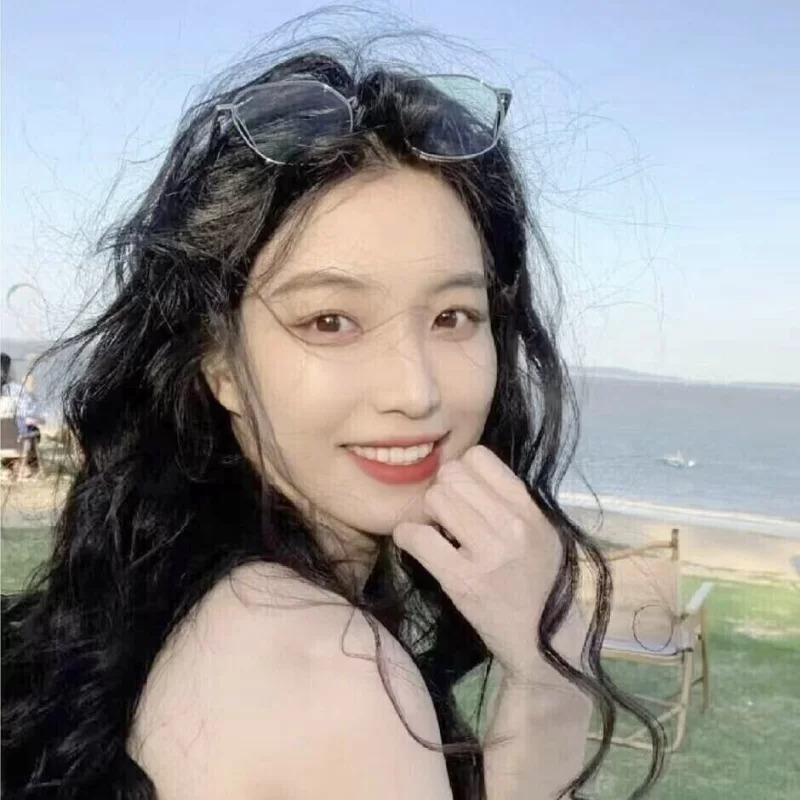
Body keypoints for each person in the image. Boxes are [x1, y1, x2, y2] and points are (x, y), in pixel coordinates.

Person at [1, 23, 665, 800]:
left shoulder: (165, 598)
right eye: (330, 321)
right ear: (218, 362)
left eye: (452, 316)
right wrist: (551, 680)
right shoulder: (336, 680)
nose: (414, 390)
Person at [0, 353, 45, 480]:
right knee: (32, 431)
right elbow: (32, 416)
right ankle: (22, 466)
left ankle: (16, 465)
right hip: (18, 440)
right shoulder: (17, 390)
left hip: (3, 440)